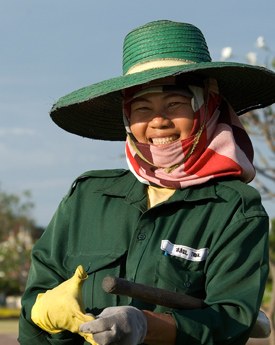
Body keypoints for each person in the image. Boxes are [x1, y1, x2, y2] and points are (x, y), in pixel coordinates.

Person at [18, 20, 275, 345]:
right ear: (128, 119)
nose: (158, 121)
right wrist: (43, 311)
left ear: (207, 108)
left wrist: (144, 325)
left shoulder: (235, 209)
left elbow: (230, 320)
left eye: (175, 104)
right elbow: (33, 307)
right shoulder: (87, 196)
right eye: (142, 108)